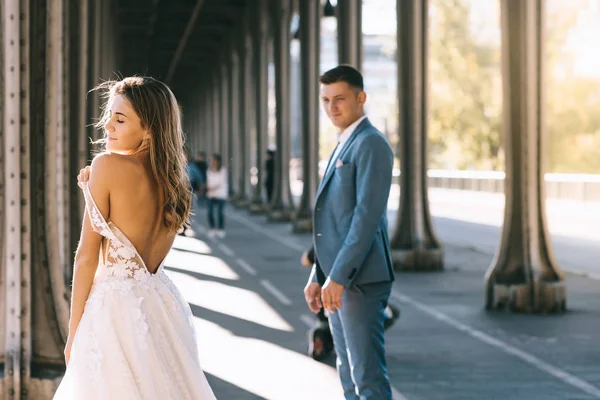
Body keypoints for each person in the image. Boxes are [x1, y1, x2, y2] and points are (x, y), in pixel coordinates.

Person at [53, 76, 216, 399]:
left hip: (113, 312)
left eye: (120, 118)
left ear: (150, 129)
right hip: (162, 305)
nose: (107, 126)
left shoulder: (106, 166)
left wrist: (73, 334)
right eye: (109, 116)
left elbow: (87, 257)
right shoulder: (175, 183)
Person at [303, 65, 395, 399]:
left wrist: (338, 276)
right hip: (339, 278)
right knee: (347, 371)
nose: (332, 107)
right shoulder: (345, 142)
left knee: (367, 376)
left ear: (361, 98)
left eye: (339, 99)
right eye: (326, 100)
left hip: (360, 279)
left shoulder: (371, 144)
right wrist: (319, 273)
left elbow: (365, 219)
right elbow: (334, 222)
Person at [300, 245, 399, 362]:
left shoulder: (325, 240)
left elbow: (305, 260)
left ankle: (324, 333)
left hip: (327, 306)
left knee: (336, 328)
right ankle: (357, 341)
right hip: (355, 298)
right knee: (389, 313)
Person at [206, 153, 228, 238]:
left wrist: (211, 187)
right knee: (210, 213)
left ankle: (220, 229)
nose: (213, 162)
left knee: (220, 213)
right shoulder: (209, 170)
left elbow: (221, 182)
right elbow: (208, 180)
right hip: (211, 195)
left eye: (214, 160)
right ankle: (212, 228)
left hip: (220, 195)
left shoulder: (223, 170)